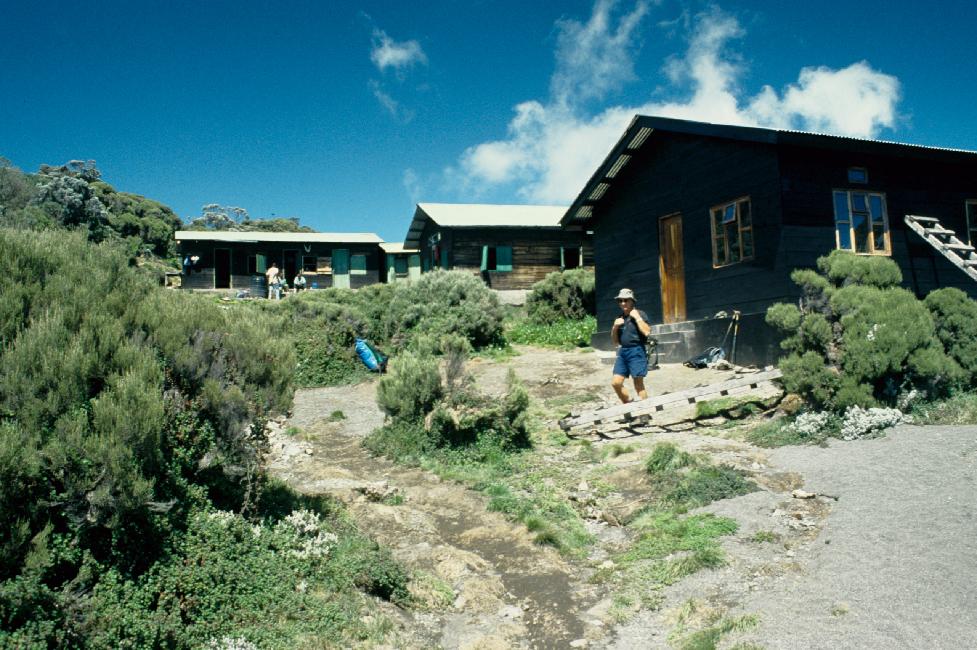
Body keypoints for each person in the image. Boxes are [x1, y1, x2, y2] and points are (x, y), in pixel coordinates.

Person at [611, 288, 652, 404]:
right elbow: (615, 342)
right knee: (616, 383)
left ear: (632, 301)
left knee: (638, 384)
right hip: (623, 352)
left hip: (637, 351)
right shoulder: (619, 318)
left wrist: (637, 318)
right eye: (620, 301)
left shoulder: (640, 314)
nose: (623, 303)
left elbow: (647, 332)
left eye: (626, 300)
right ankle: (629, 403)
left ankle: (645, 410)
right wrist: (615, 327)